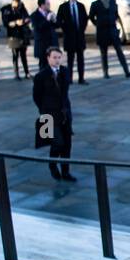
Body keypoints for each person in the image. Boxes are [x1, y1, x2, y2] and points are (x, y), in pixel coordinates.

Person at [33, 46, 75, 182]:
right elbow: (37, 96)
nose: (57, 60)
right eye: (54, 57)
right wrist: (44, 109)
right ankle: (52, 165)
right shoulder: (41, 76)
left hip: (64, 113)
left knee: (67, 144)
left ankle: (66, 171)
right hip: (49, 114)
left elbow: (65, 92)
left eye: (59, 57)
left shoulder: (65, 71)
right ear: (48, 58)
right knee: (57, 143)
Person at [90, 0, 130, 79]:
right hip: (102, 31)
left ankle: (126, 71)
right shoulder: (95, 4)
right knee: (104, 54)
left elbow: (116, 15)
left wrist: (113, 21)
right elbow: (91, 16)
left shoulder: (113, 2)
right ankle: (105, 72)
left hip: (112, 31)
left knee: (119, 51)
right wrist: (98, 24)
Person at [57, 0, 88, 85]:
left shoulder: (81, 6)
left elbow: (84, 19)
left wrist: (82, 29)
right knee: (70, 60)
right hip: (69, 37)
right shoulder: (63, 7)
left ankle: (81, 78)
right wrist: (65, 29)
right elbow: (59, 20)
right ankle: (69, 78)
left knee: (80, 59)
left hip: (79, 36)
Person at [2, 0, 32, 79]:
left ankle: (26, 72)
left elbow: (27, 16)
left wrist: (26, 20)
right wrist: (15, 23)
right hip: (13, 35)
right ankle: (16, 73)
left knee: (23, 55)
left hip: (23, 34)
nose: (17, 6)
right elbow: (5, 23)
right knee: (15, 55)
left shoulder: (21, 7)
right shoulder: (7, 9)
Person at [31, 0, 59, 64]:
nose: (49, 5)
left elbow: (57, 26)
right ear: (42, 5)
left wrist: (55, 20)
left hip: (52, 44)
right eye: (48, 4)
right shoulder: (34, 15)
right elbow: (38, 28)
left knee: (52, 66)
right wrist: (47, 20)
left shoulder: (50, 13)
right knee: (43, 66)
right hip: (42, 45)